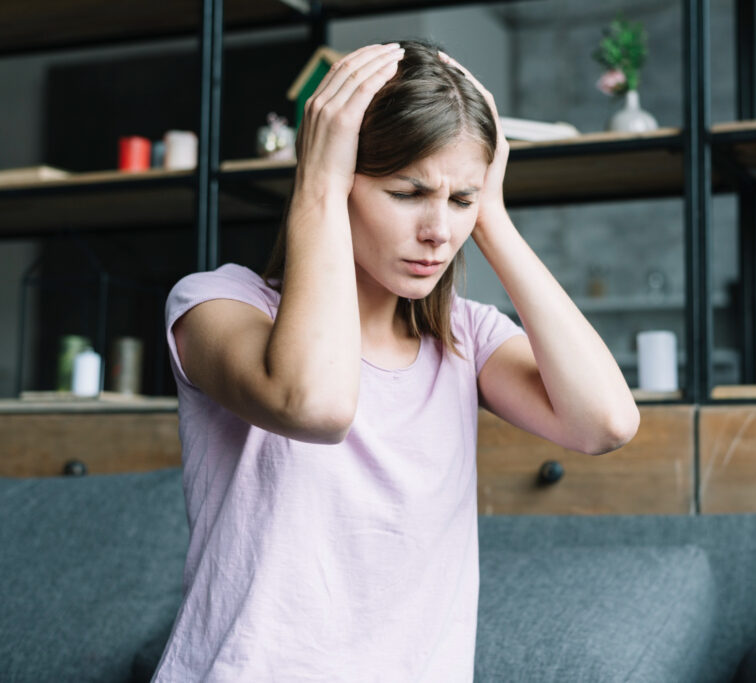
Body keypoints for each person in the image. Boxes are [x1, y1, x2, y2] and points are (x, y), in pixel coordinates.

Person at [152, 39, 639, 681]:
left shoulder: (464, 338)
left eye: (459, 201)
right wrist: (317, 188)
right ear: (341, 178)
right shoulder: (215, 305)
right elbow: (317, 405)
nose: (439, 231)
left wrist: (489, 213)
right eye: (408, 193)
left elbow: (605, 422)